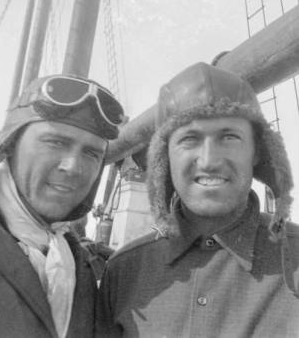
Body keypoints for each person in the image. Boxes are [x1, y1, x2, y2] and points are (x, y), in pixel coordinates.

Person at [96, 62, 299, 338]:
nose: (209, 161)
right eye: (189, 139)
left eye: (229, 137)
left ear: (257, 152)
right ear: (164, 158)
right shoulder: (124, 272)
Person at [0, 74, 124, 338]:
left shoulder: (77, 261)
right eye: (56, 142)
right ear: (10, 146)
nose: (73, 167)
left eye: (91, 153)